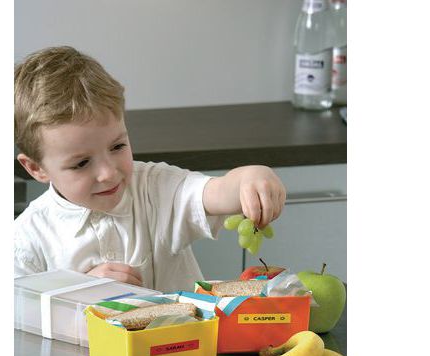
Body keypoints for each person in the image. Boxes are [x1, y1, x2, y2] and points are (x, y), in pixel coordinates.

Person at [14, 46, 286, 292]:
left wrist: (251, 177)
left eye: (117, 146)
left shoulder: (155, 188)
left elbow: (217, 192)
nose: (108, 173)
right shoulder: (26, 242)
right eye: (82, 163)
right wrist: (78, 293)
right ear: (36, 168)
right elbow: (21, 318)